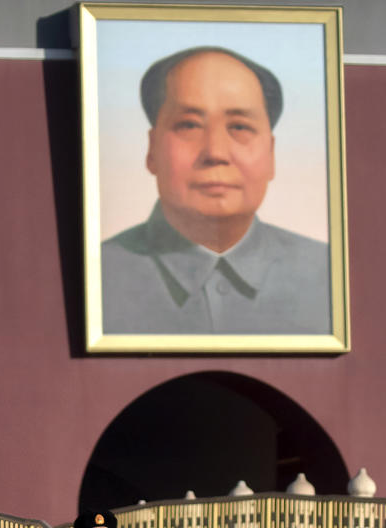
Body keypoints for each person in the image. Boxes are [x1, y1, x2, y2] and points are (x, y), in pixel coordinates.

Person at [101, 46, 331, 335]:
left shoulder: (330, 275)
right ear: (151, 150)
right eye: (189, 125)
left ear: (271, 154)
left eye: (239, 127)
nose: (216, 152)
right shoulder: (97, 275)